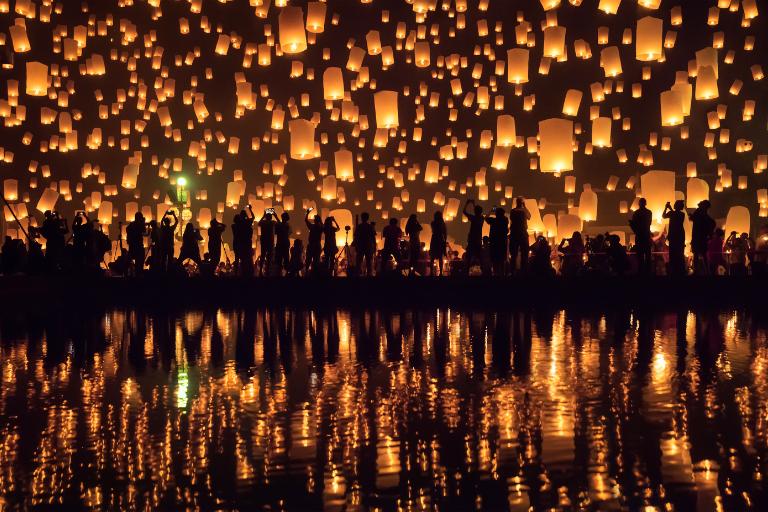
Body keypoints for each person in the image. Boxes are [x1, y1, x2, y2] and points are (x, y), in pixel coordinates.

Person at [689, 200, 715, 275]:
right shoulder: (702, 214)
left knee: (697, 255)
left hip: (698, 237)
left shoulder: (700, 213)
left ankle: (698, 270)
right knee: (702, 255)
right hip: (701, 237)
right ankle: (705, 270)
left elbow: (695, 220)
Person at [629, 198, 653, 275]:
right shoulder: (649, 212)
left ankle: (641, 271)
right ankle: (648, 271)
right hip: (646, 235)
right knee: (647, 254)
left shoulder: (636, 213)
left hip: (640, 236)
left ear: (639, 204)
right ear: (645, 203)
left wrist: (633, 225)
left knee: (640, 255)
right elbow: (649, 223)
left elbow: (634, 225)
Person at [663, 200, 686, 276]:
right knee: (679, 253)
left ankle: (673, 270)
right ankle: (680, 270)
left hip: (673, 236)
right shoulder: (682, 214)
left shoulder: (673, 213)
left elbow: (664, 216)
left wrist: (666, 208)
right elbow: (675, 215)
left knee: (673, 253)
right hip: (680, 235)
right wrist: (669, 208)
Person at [508, 197, 531, 274]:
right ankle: (524, 271)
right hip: (523, 234)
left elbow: (511, 219)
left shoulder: (513, 211)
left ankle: (512, 271)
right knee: (524, 254)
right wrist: (524, 207)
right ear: (522, 203)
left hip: (514, 234)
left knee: (513, 255)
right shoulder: (524, 211)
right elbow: (529, 217)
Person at [232, 205, 255, 276]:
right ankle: (245, 272)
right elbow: (252, 218)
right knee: (245, 258)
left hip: (237, 243)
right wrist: (250, 210)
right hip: (245, 243)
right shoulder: (246, 223)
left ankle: (236, 273)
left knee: (237, 257)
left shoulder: (234, 225)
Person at [463, 199, 484, 273]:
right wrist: (474, 204)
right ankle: (484, 273)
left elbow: (464, 212)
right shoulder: (481, 218)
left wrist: (467, 203)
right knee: (480, 258)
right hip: (478, 240)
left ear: (475, 211)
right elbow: (478, 212)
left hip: (472, 240)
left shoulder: (473, 218)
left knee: (468, 257)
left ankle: (466, 272)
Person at [485, 207, 508, 276]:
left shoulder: (493, 221)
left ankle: (495, 274)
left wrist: (491, 211)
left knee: (495, 260)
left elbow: (486, 218)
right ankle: (502, 274)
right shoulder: (505, 220)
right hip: (502, 242)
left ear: (496, 214)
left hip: (494, 243)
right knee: (501, 260)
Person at [353, 212, 377, 276]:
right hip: (368, 246)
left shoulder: (359, 226)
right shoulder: (370, 227)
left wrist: (356, 245)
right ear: (368, 218)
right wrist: (374, 246)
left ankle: (357, 275)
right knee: (369, 262)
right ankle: (369, 275)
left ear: (361, 218)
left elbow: (356, 236)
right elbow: (373, 238)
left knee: (359, 262)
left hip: (360, 246)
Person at [257, 209, 276, 276]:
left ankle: (261, 271)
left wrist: (263, 216)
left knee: (263, 256)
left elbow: (258, 223)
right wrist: (275, 215)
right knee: (269, 257)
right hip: (270, 242)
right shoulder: (272, 222)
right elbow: (279, 223)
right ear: (271, 217)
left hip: (264, 241)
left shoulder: (263, 223)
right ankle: (267, 271)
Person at [305, 208, 323, 274]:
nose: (314, 220)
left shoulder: (313, 227)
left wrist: (307, 213)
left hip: (312, 245)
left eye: (315, 219)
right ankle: (314, 272)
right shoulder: (320, 227)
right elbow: (306, 221)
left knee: (310, 259)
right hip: (316, 245)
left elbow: (306, 220)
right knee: (315, 260)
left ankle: (308, 271)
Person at [429, 211, 447, 276]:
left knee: (432, 257)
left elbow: (434, 230)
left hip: (434, 239)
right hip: (440, 239)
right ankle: (441, 272)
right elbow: (445, 233)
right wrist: (445, 241)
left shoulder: (433, 223)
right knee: (440, 257)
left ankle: (431, 272)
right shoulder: (442, 223)